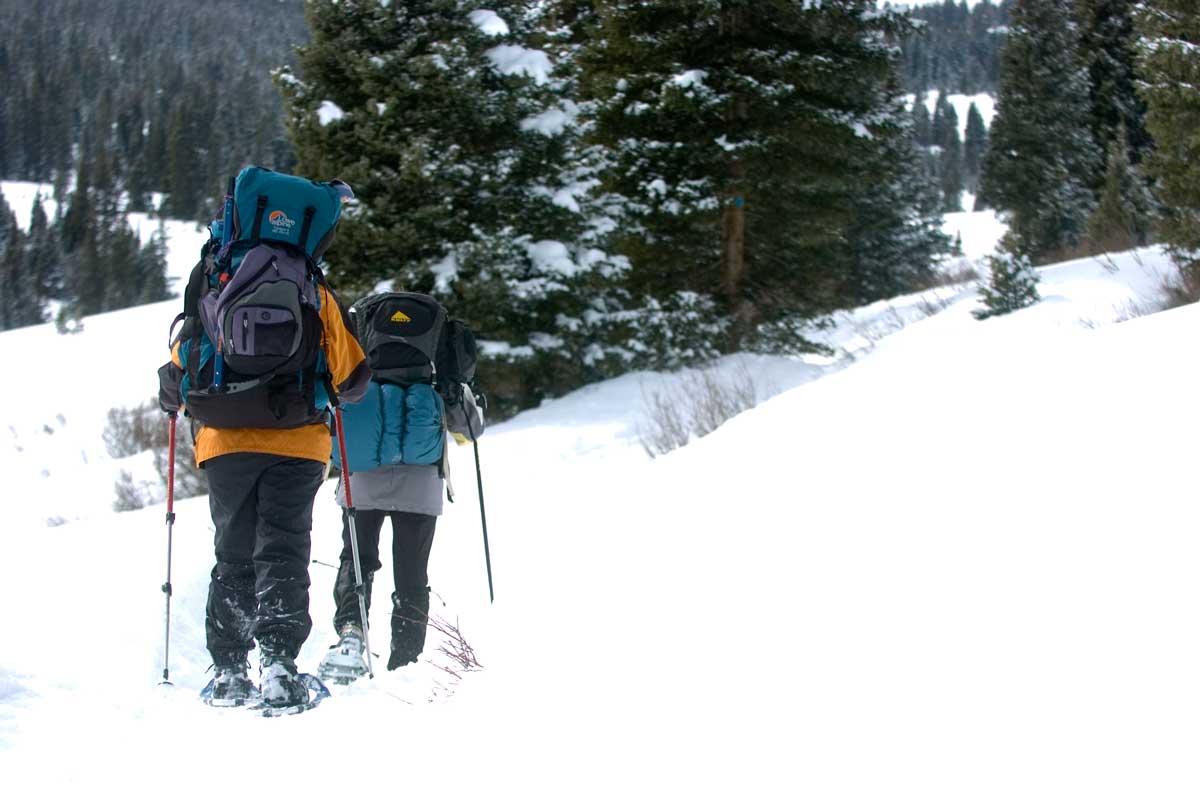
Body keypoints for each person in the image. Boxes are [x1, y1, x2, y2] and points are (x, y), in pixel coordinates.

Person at [158, 170, 369, 710]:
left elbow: (186, 355)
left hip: (226, 440)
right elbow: (351, 374)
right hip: (298, 443)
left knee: (233, 552)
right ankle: (278, 665)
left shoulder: (215, 275)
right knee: (284, 550)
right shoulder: (314, 288)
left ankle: (228, 672)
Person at [319, 341, 484, 682]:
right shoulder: (437, 355)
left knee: (357, 558)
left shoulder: (357, 341)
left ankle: (350, 631)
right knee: (411, 573)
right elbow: (469, 430)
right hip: (421, 482)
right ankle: (405, 661)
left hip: (362, 477)